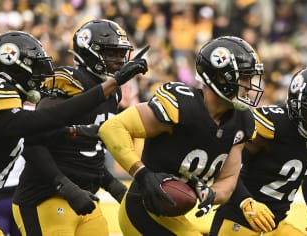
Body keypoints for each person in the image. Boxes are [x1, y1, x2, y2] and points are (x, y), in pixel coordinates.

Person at [0, 30, 146, 235]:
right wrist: (112, 83)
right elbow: (48, 120)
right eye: (33, 66)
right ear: (12, 66)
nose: (40, 74)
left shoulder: (5, 115)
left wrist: (82, 131)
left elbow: (42, 131)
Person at [99, 36, 265, 236]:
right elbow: (112, 128)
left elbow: (228, 179)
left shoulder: (242, 122)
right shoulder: (182, 105)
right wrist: (142, 174)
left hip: (173, 214)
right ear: (221, 78)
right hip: (143, 208)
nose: (249, 86)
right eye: (245, 77)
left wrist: (211, 194)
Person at [11, 19, 148, 236]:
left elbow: (87, 152)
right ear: (90, 52)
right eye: (111, 53)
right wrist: (64, 185)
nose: (119, 60)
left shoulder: (114, 93)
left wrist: (113, 186)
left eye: (122, 54)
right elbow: (32, 138)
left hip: (86, 198)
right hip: (45, 196)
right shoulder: (69, 79)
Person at [209, 66, 307, 236]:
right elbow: (222, 163)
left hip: (275, 225)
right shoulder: (271, 125)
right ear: (296, 106)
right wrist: (245, 201)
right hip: (238, 219)